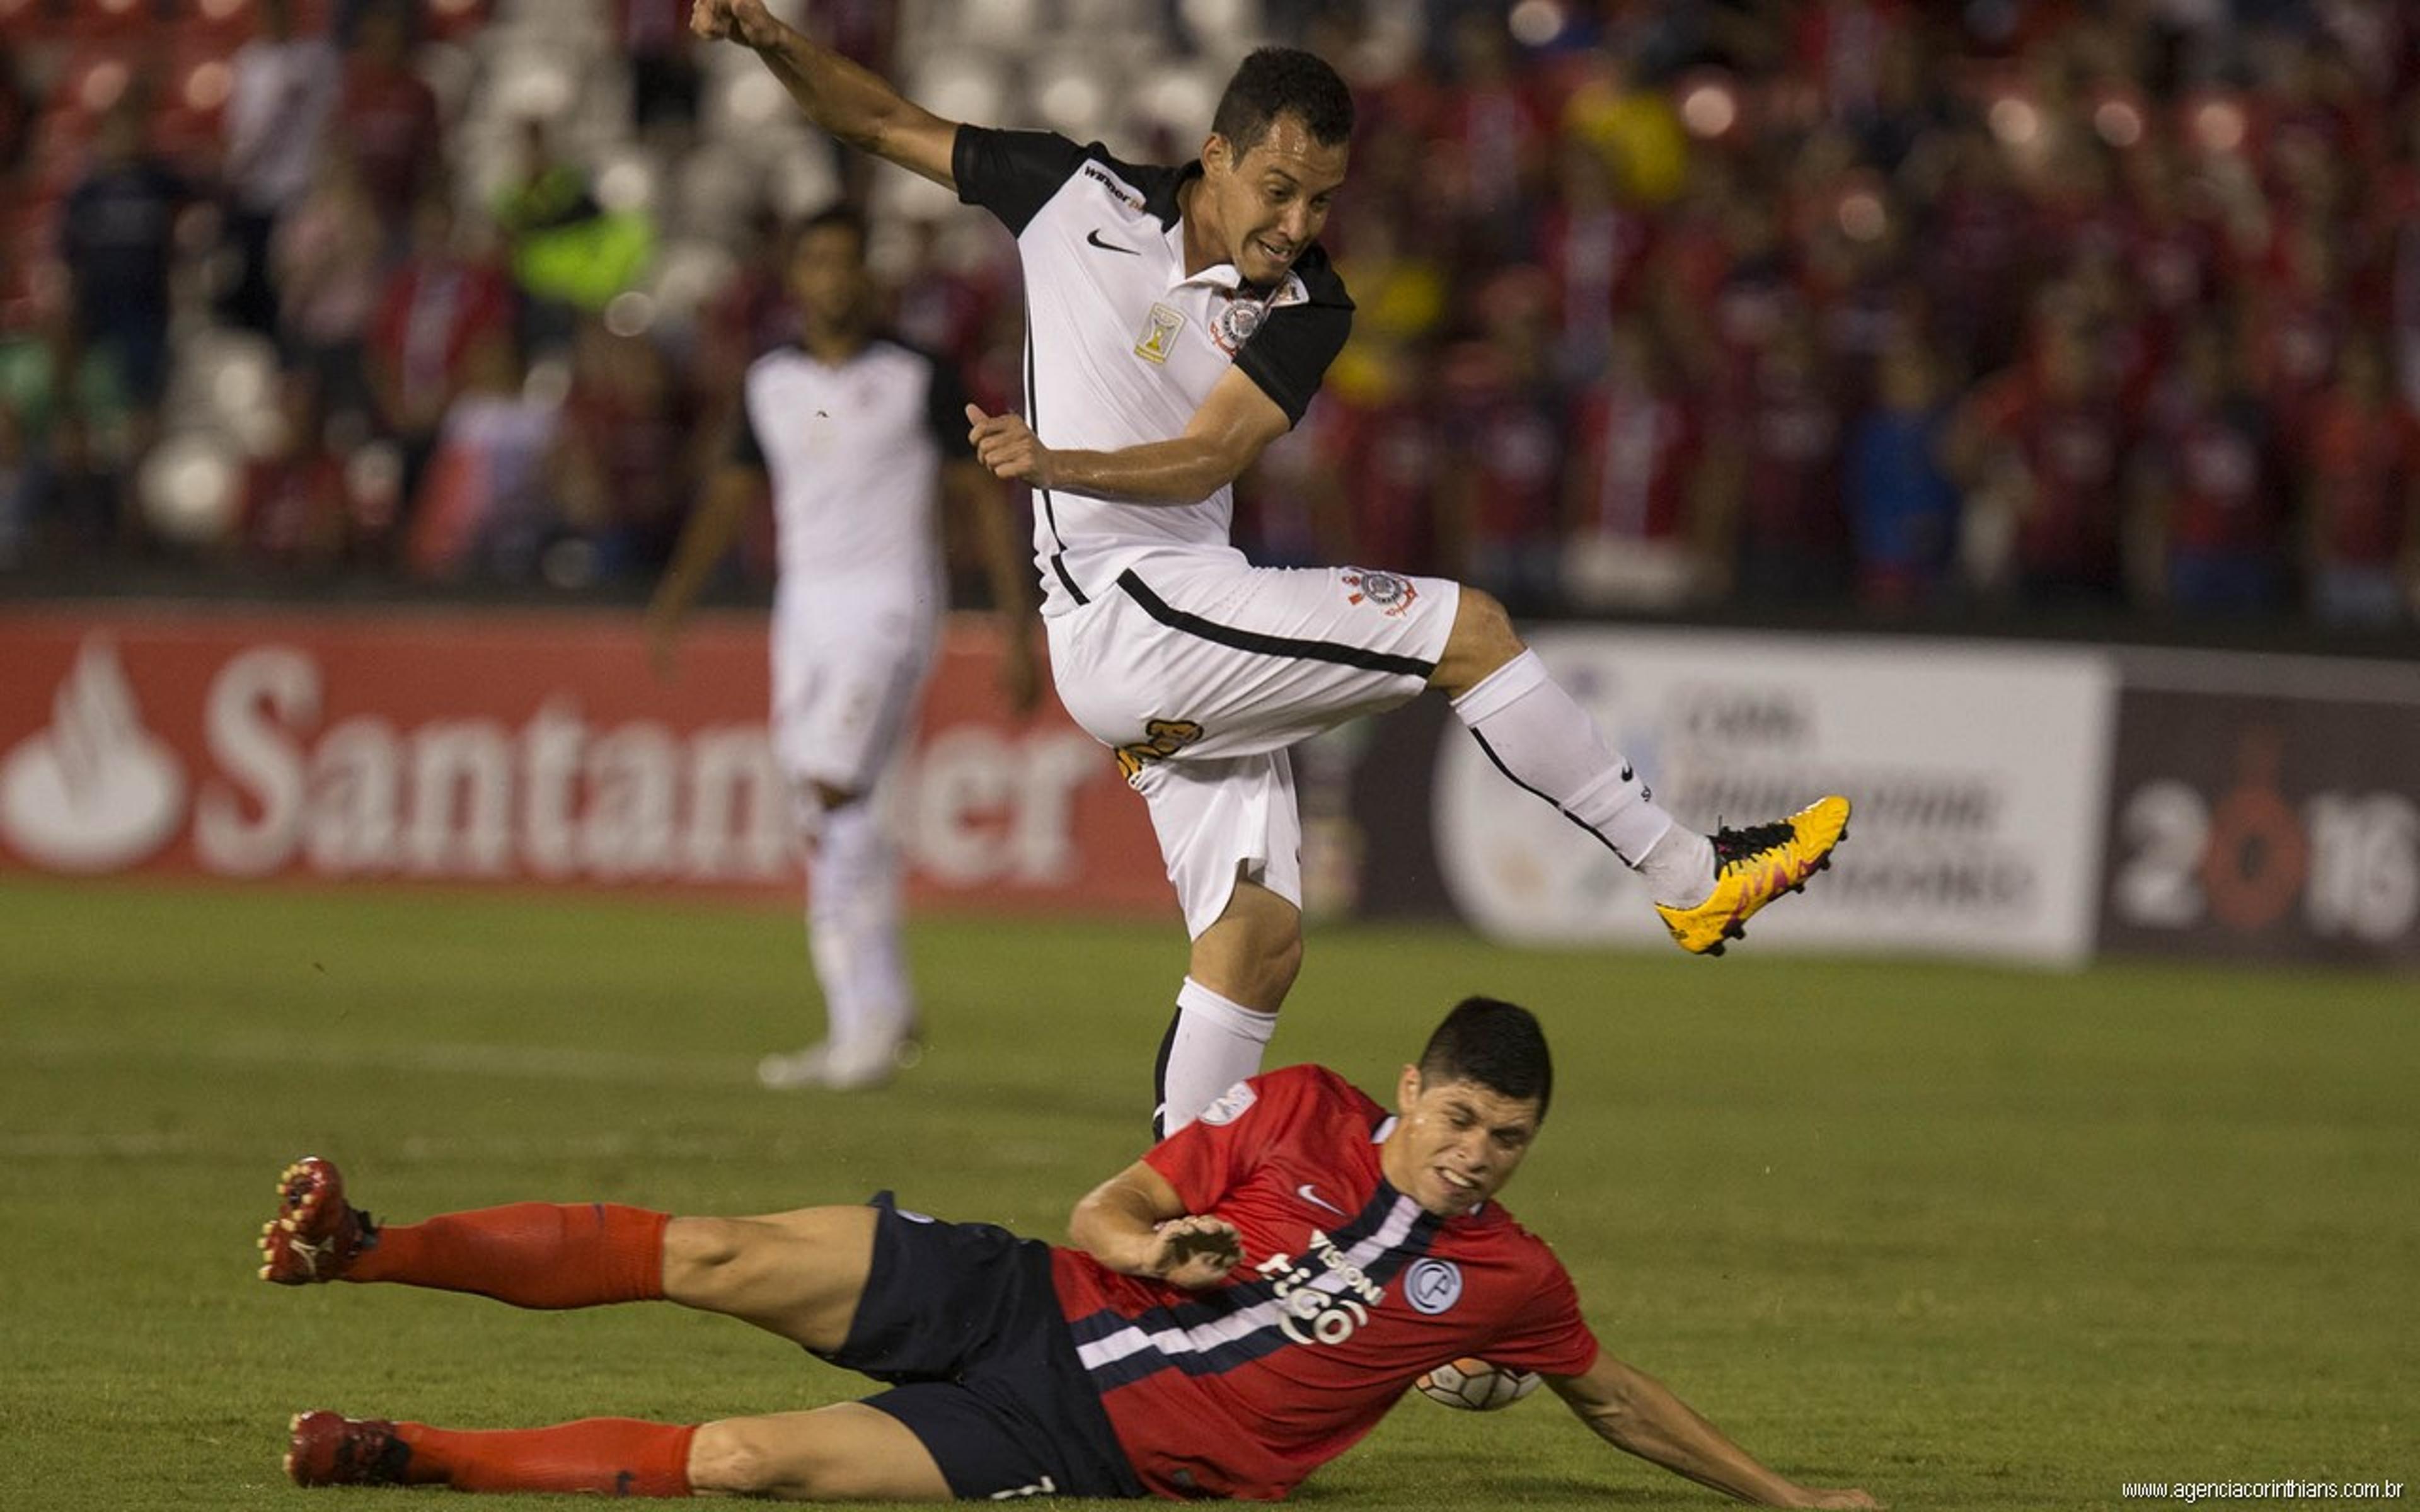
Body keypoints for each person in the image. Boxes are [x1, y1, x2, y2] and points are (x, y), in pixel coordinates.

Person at [690, 1, 1850, 1136]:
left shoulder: (1306, 301)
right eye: (1279, 191)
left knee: (1256, 939)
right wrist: (775, 38)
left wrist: (1058, 458)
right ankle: (1688, 872)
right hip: (1130, 611)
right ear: (1216, 156)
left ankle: (1166, 1234)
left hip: (1180, 616)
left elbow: (1213, 453)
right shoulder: (1069, 194)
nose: (1297, 224)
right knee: (1472, 631)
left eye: (1324, 200)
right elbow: (883, 122)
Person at [260, 997, 1881, 1508]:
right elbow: (1112, 1201)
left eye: (1508, 1140)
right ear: (1409, 1091)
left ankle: (407, 1455)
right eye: (1459, 1118)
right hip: (1033, 1288)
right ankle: (368, 1252)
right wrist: (1160, 1247)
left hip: (1068, 1433)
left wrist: (1793, 1500)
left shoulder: (1513, 1282)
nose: (1476, 1156)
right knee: (720, 1249)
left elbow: (1618, 1402)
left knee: (751, 1463)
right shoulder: (1297, 1108)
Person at [645, 205, 1040, 1091]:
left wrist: (1017, 626)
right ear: (796, 277)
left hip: (891, 609)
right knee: (830, 816)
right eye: (816, 260)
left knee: (832, 785)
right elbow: (728, 495)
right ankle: (868, 1017)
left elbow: (979, 497)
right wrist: (675, 598)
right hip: (804, 615)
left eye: (847, 260)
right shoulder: (769, 382)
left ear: (870, 276)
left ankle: (869, 1023)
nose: (833, 277)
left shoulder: (918, 374)